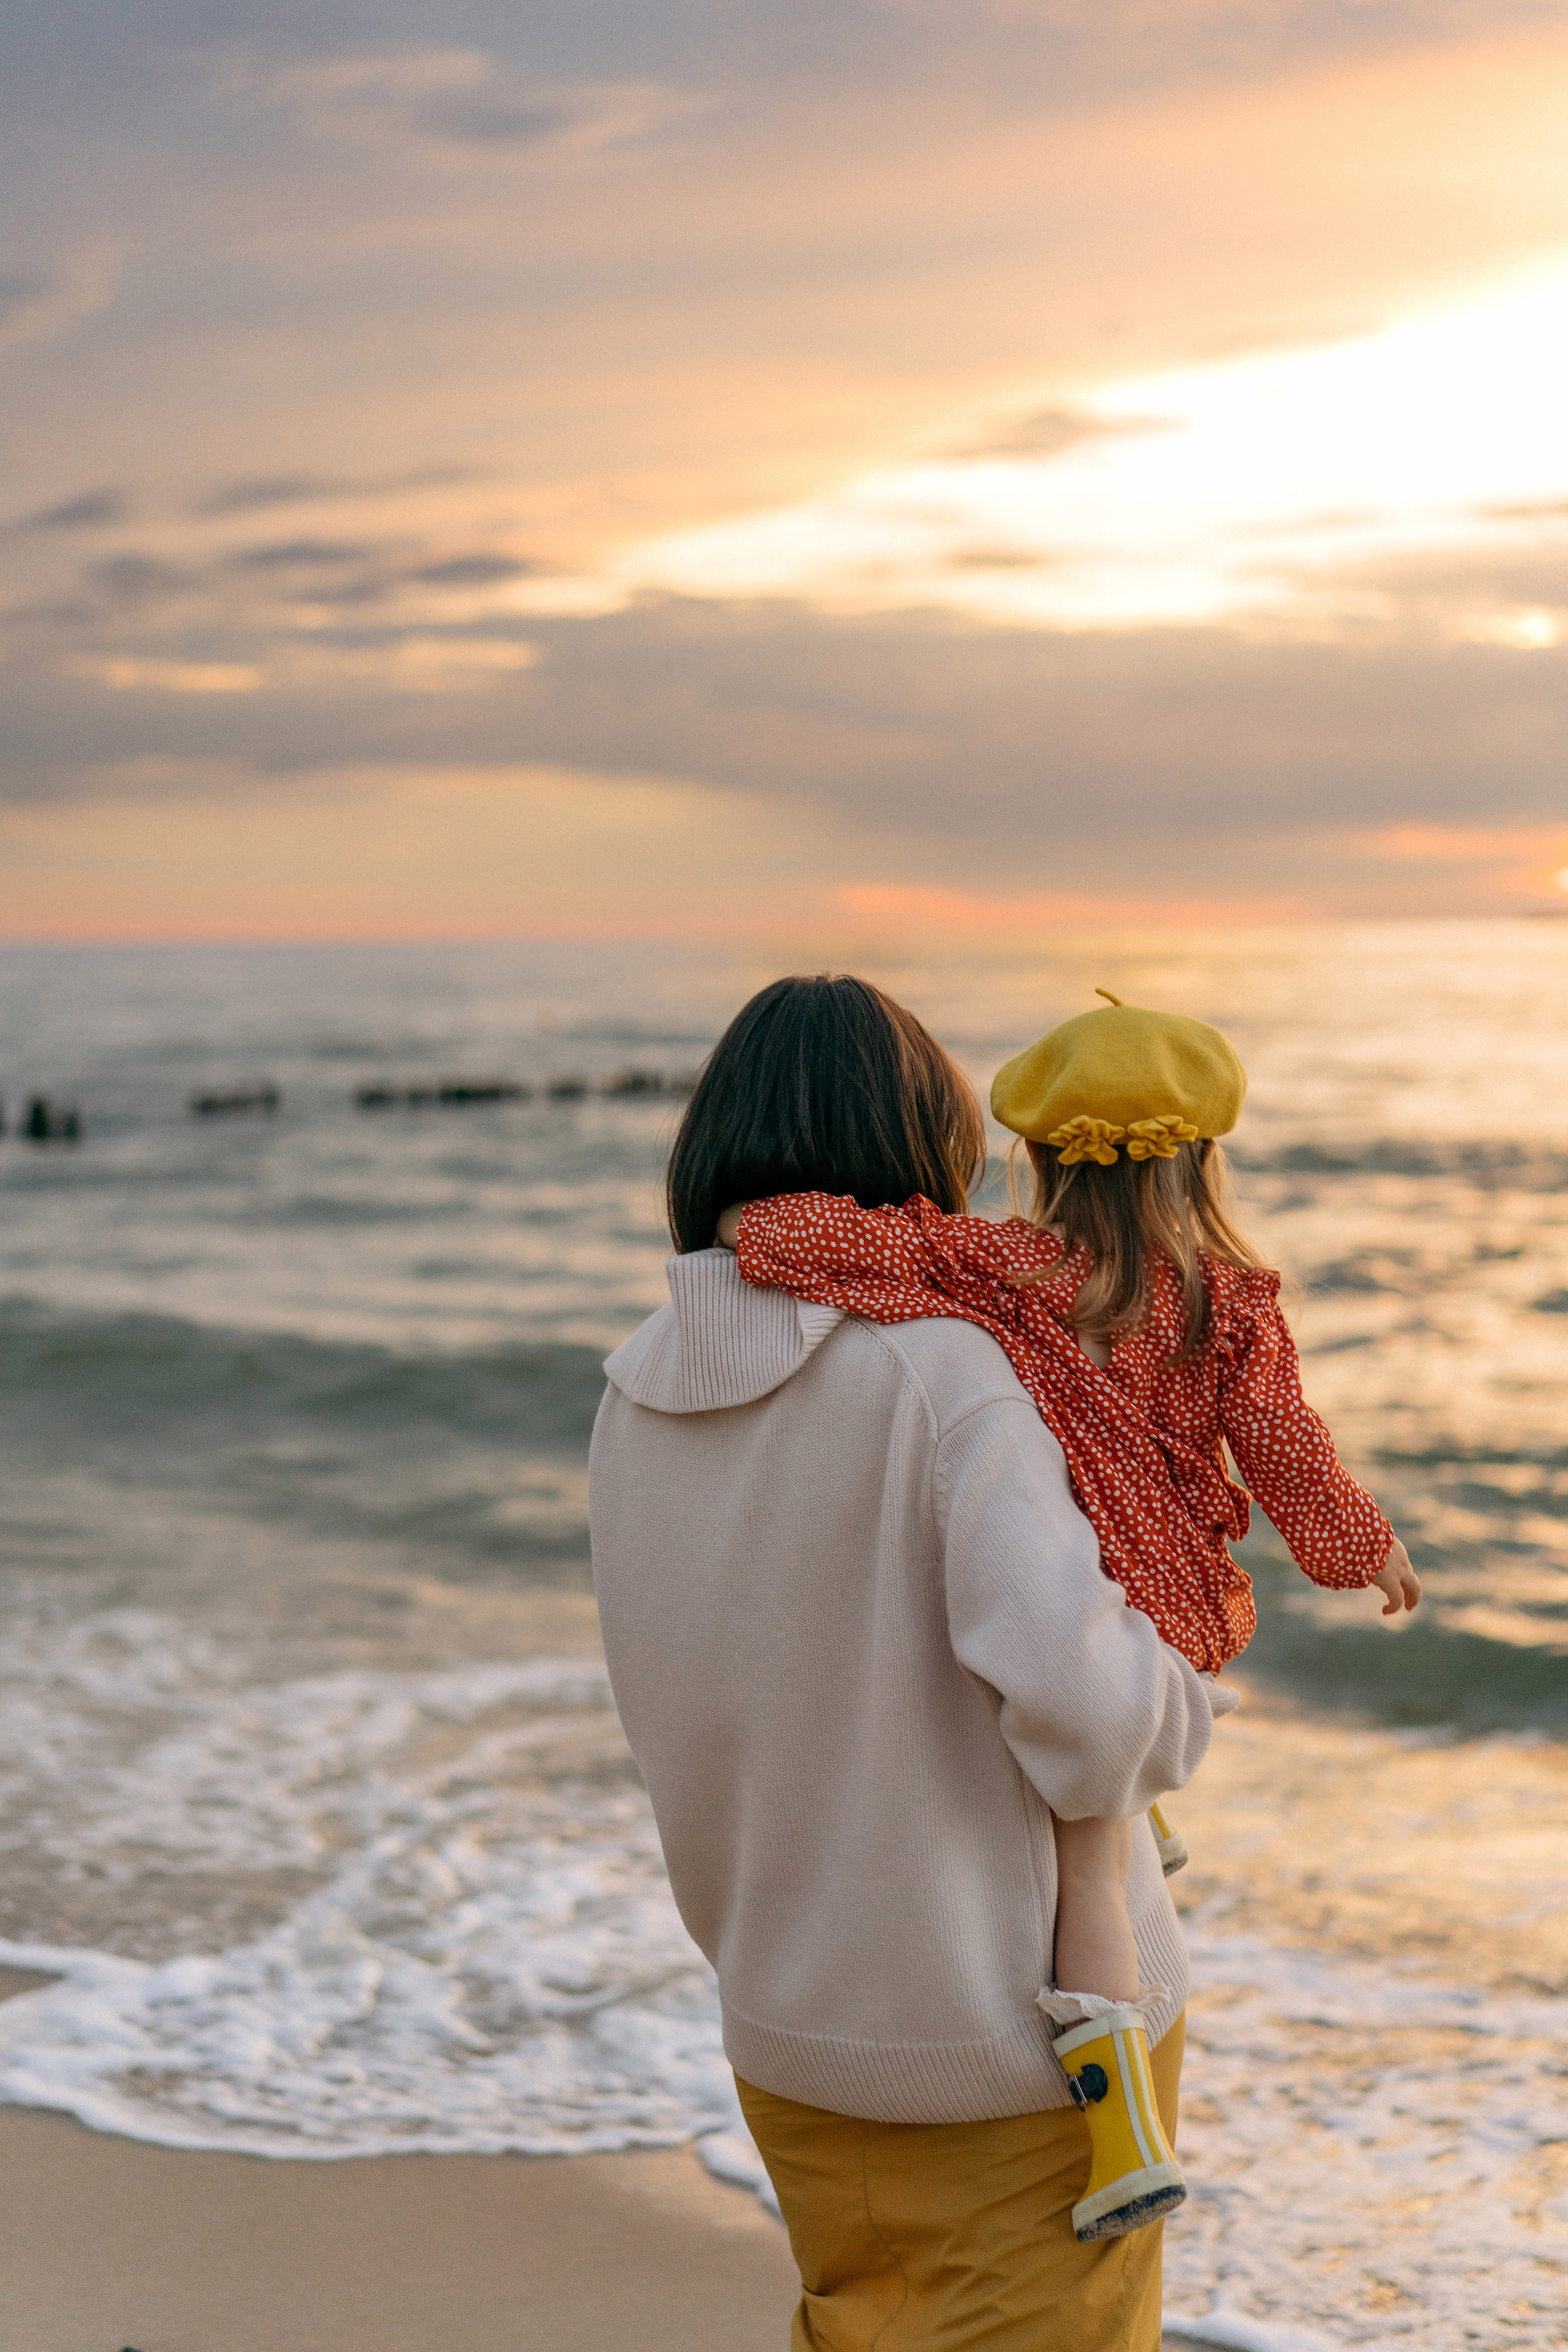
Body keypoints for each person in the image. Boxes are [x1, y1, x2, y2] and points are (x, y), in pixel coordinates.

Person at [589, 974, 1229, 2350]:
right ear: (923, 1146)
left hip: (787, 2026)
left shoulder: (634, 1387)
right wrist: (1182, 1660)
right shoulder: (943, 1372)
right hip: (1021, 2053)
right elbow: (1102, 1725)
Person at [723, 986, 1421, 2236]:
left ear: (1037, 1157)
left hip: (1062, 1587)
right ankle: (1130, 2096)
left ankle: (1121, 2137)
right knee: (1100, 1851)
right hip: (1174, 1605)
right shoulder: (1229, 1299)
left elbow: (793, 1239)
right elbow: (1285, 1453)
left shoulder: (999, 1266)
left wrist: (740, 1213)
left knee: (1090, 1860)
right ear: (1201, 1160)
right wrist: (1365, 1548)